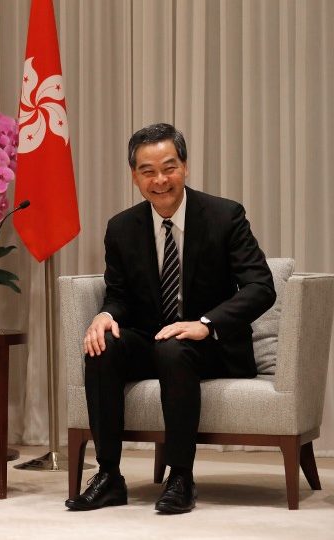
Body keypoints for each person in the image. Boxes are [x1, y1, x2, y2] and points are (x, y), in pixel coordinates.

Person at [65, 123, 276, 514]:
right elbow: (119, 295)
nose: (160, 180)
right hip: (154, 341)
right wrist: (105, 315)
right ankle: (109, 476)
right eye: (148, 171)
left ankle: (181, 477)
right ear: (134, 176)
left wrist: (206, 324)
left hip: (211, 347)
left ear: (185, 167)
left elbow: (261, 287)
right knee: (102, 346)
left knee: (175, 348)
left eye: (169, 168)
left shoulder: (224, 216)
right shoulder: (121, 228)